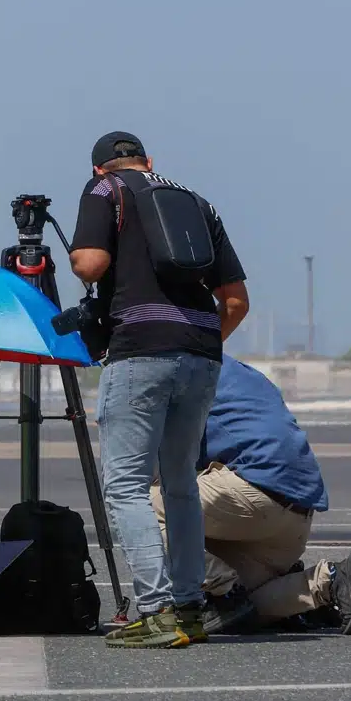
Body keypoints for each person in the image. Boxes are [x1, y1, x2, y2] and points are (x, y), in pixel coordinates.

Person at [70, 130, 249, 649]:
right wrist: (198, 343)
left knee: (124, 484)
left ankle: (157, 609)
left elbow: (91, 264)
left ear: (103, 168)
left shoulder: (106, 190)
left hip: (140, 349)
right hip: (201, 353)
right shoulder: (196, 202)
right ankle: (191, 607)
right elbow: (235, 301)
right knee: (181, 484)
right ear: (149, 162)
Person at [151, 355, 351, 635]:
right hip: (295, 516)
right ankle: (330, 581)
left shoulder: (170, 369)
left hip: (254, 494)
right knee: (246, 609)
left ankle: (223, 590)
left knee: (138, 505)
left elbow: (148, 470)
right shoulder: (241, 371)